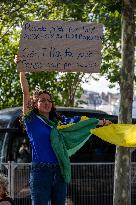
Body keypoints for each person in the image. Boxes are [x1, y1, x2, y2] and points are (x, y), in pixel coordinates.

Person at [14, 55, 112, 205]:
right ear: (34, 104)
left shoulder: (59, 122)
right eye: (42, 100)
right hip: (41, 172)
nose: (46, 103)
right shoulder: (31, 121)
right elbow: (25, 92)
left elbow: (79, 123)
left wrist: (101, 122)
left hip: (59, 170)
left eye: (49, 100)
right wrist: (21, 69)